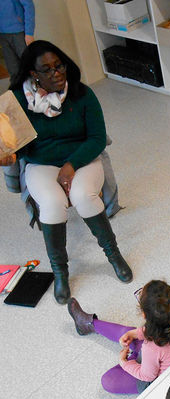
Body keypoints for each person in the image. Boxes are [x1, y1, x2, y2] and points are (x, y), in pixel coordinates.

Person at [4, 40, 132, 304]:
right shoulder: (17, 100)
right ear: (33, 74)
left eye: (59, 65)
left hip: (83, 159)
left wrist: (71, 166)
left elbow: (97, 139)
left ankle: (114, 255)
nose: (56, 73)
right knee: (51, 204)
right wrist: (9, 155)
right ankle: (60, 272)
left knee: (84, 196)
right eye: (47, 69)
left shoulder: (81, 94)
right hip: (41, 164)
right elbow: (14, 144)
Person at [66, 280, 170, 394]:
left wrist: (126, 363)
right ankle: (87, 324)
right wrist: (135, 334)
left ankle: (132, 355)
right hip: (168, 358)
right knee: (129, 333)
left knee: (108, 381)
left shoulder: (151, 348)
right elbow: (162, 329)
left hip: (157, 380)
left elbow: (147, 376)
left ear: (144, 315)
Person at [0, 0, 34, 83]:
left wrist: (29, 33)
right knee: (13, 71)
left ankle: (40, 93)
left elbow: (29, 5)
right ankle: (19, 94)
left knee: (30, 67)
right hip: (2, 35)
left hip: (19, 32)